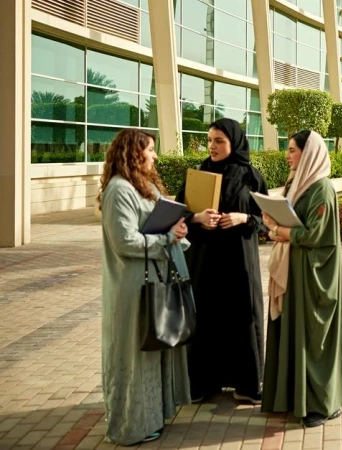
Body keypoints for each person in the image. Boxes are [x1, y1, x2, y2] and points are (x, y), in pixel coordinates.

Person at [98, 129, 191, 445]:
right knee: (134, 356)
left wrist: (176, 231)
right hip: (133, 286)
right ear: (133, 152)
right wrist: (166, 238)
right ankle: (130, 426)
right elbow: (124, 241)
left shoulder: (145, 186)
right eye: (150, 149)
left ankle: (152, 417)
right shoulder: (119, 190)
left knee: (151, 351)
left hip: (152, 282)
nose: (154, 156)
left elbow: (157, 225)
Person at [261, 130, 342, 427]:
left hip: (314, 278)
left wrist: (280, 232)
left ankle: (323, 403)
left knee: (314, 339)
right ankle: (290, 396)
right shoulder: (297, 185)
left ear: (308, 154)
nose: (287, 155)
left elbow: (315, 234)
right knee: (292, 332)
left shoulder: (322, 189)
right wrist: (273, 221)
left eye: (292, 150)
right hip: (295, 272)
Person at [175, 118, 267, 404]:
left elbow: (266, 221)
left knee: (242, 316)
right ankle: (203, 384)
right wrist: (197, 218)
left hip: (239, 262)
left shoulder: (251, 176)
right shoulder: (199, 173)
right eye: (210, 140)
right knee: (205, 318)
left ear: (234, 143)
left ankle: (247, 384)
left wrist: (244, 218)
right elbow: (178, 214)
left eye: (219, 141)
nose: (212, 146)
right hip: (204, 261)